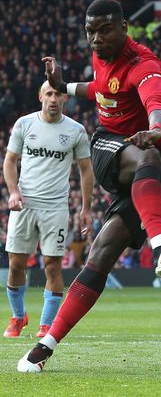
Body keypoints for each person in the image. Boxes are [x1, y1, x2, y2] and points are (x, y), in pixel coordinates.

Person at [18, 0, 161, 373]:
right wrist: (65, 86)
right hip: (110, 147)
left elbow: (157, 100)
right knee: (147, 158)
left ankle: (43, 347)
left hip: (144, 162)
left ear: (125, 27)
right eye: (90, 31)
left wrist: (156, 128)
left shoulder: (145, 65)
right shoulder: (103, 56)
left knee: (102, 254)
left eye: (104, 30)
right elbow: (103, 90)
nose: (96, 39)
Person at [3, 81, 94, 339]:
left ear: (65, 98)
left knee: (52, 265)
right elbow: (10, 161)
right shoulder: (24, 124)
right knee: (16, 263)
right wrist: (13, 191)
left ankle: (46, 325)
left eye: (58, 94)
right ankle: (18, 317)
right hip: (25, 204)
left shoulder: (75, 131)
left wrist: (86, 207)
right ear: (40, 96)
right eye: (49, 94)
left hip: (55, 207)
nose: (53, 99)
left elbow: (86, 170)